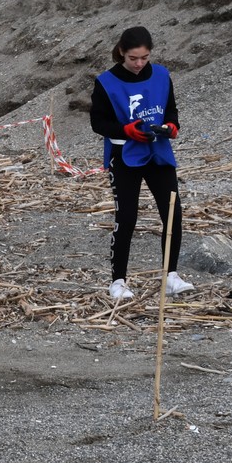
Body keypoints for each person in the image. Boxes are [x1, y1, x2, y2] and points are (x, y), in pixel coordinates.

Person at [90, 26, 194, 299]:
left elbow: (171, 109)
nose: (139, 64)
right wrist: (126, 130)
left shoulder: (161, 74)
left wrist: (172, 126)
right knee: (126, 217)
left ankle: (170, 276)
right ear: (122, 53)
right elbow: (98, 122)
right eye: (133, 58)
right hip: (124, 155)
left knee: (173, 213)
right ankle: (118, 282)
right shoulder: (106, 82)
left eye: (144, 58)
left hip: (158, 151)